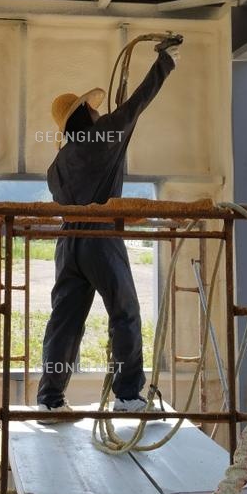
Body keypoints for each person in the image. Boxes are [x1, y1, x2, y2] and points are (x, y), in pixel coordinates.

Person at [36, 37, 182, 414]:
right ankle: (130, 396)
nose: (99, 113)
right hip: (101, 236)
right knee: (125, 312)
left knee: (65, 321)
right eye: (92, 109)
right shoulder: (103, 138)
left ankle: (50, 400)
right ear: (85, 112)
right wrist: (166, 61)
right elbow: (136, 105)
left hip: (68, 243)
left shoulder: (57, 165)